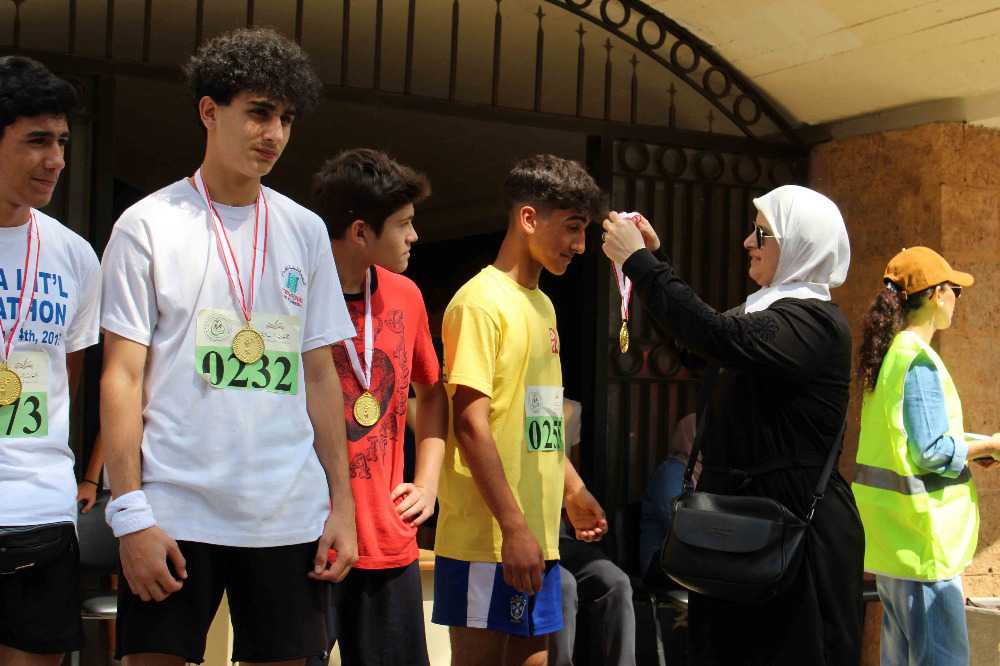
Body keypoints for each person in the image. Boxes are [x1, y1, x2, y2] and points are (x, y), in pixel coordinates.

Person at [99, 28, 358, 665]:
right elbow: (122, 377)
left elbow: (320, 375)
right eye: (259, 113)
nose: (274, 133)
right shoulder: (147, 224)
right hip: (174, 508)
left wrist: (343, 506)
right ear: (209, 112)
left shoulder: (305, 230)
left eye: (286, 118)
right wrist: (129, 512)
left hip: (287, 513)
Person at [602, 185, 864, 665]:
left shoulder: (814, 323)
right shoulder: (763, 313)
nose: (747, 243)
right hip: (740, 532)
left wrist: (642, 264)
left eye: (761, 234)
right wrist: (654, 262)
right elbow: (696, 343)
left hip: (796, 539)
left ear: (800, 243)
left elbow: (717, 335)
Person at [432, 154, 609, 666]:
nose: (580, 245)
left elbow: (541, 418)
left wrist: (573, 490)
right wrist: (512, 527)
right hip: (487, 539)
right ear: (529, 218)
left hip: (537, 536)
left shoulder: (544, 305)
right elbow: (470, 424)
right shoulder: (478, 303)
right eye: (572, 227)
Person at [308, 148, 448, 666]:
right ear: (361, 232)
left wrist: (427, 483)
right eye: (404, 224)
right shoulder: (295, 292)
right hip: (308, 537)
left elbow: (432, 393)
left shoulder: (406, 295)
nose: (415, 236)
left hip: (388, 540)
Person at [0, 55, 101, 666]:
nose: (57, 159)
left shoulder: (75, 255)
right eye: (37, 140)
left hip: (40, 511)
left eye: (62, 141)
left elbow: (70, 373)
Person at [853, 246, 1000, 666]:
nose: (957, 299)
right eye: (955, 290)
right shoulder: (917, 361)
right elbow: (933, 451)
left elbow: (913, 440)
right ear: (936, 295)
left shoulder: (891, 356)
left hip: (897, 544)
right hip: (924, 546)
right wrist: (990, 446)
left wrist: (974, 446)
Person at [549, 399, 635, 666]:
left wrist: (575, 492)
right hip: (509, 531)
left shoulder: (555, 398)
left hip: (554, 531)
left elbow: (549, 448)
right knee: (562, 585)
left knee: (616, 582)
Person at [638, 412, 695, 583]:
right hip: (661, 563)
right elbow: (676, 522)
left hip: (693, 558)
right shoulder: (672, 472)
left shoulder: (701, 471)